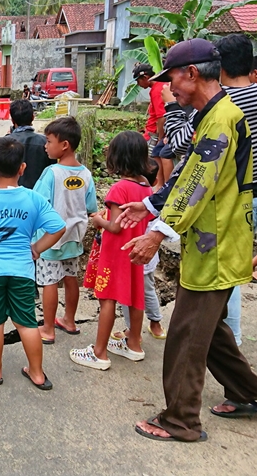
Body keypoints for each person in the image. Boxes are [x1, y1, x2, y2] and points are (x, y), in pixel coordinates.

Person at [118, 38, 257, 443]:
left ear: (192, 73)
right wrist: (150, 204)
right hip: (217, 241)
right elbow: (187, 171)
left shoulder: (221, 118)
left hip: (217, 244)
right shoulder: (211, 115)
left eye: (171, 78)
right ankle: (247, 392)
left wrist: (157, 232)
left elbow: (198, 182)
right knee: (211, 331)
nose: (168, 88)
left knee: (188, 335)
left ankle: (180, 421)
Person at [161, 34, 257, 346]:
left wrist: (172, 108)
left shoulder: (219, 105)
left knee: (214, 277)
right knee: (231, 271)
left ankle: (222, 341)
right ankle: (231, 343)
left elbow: (181, 147)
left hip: (221, 195)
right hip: (255, 192)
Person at [0, 137, 66, 390]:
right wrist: (36, 249)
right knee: (27, 322)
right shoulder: (34, 199)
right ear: (22, 168)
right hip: (22, 270)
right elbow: (58, 228)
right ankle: (37, 373)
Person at [70, 131, 151, 370]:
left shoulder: (119, 189)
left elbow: (115, 227)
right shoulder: (145, 186)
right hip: (136, 251)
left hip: (116, 253)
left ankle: (99, 352)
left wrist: (99, 221)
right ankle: (134, 345)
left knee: (107, 299)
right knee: (136, 297)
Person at [33, 117, 97, 344]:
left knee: (49, 281)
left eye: (49, 141)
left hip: (51, 239)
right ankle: (69, 320)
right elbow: (91, 208)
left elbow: (38, 204)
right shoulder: (86, 174)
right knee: (71, 278)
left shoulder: (52, 173)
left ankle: (48, 329)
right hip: (74, 237)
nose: (46, 146)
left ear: (64, 145)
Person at [111, 160, 174, 341]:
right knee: (145, 291)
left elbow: (118, 226)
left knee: (132, 294)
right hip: (144, 256)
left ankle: (140, 328)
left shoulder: (140, 200)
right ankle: (149, 326)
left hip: (136, 255)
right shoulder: (150, 198)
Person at [133, 64, 172, 188]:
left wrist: (160, 137)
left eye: (138, 81)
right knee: (156, 155)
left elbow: (161, 117)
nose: (138, 84)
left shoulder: (156, 90)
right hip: (155, 131)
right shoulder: (162, 86)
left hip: (153, 133)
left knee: (149, 160)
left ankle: (157, 186)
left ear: (145, 77)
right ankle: (160, 185)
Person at [6, 99, 56, 189]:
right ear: (33, 117)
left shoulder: (3, 143)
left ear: (12, 120)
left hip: (11, 195)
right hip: (40, 194)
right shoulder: (47, 142)